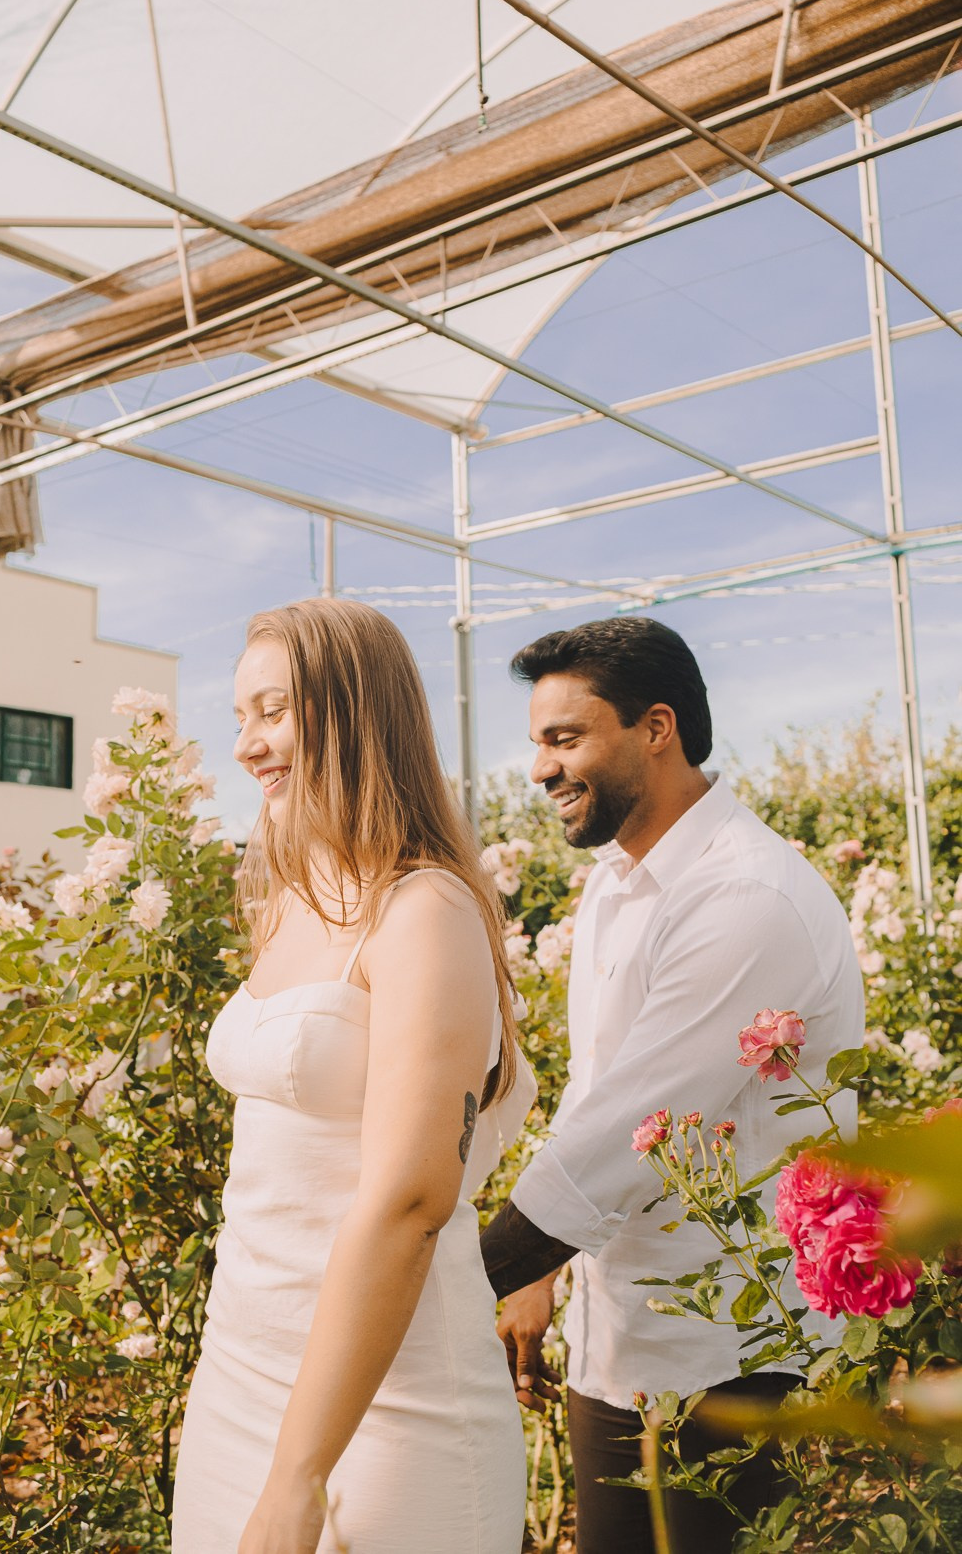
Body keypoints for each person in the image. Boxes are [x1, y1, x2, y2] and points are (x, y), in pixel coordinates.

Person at [480, 617, 865, 1554]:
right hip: (618, 1335)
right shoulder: (616, 884)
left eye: (565, 738)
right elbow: (598, 1096)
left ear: (657, 728)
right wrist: (543, 1280)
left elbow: (634, 1124)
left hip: (736, 1357)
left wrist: (460, 1279)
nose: (539, 769)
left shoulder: (746, 896)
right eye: (538, 742)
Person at [172, 598, 535, 1554]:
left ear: (356, 713)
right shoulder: (286, 899)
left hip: (390, 1412)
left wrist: (298, 1478)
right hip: (239, 1375)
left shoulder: (425, 911)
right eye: (241, 717)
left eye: (275, 711)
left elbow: (410, 1203)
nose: (249, 745)